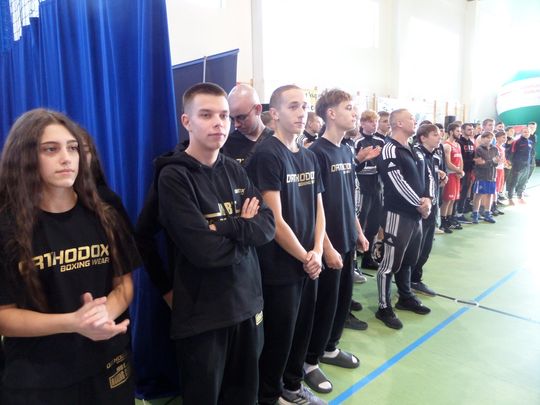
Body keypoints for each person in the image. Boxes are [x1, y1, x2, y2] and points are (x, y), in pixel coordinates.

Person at [0, 108, 138, 404]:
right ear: (24, 157)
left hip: (107, 364)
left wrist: (103, 315)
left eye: (72, 148)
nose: (67, 158)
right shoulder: (6, 228)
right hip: (40, 377)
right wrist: (73, 322)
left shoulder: (105, 216)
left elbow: (124, 285)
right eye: (51, 149)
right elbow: (4, 316)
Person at [156, 83, 275, 405]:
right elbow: (205, 252)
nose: (218, 123)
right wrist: (245, 231)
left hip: (248, 305)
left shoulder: (236, 170)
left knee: (245, 396)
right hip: (204, 315)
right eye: (206, 115)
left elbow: (267, 227)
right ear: (187, 121)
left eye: (223, 115)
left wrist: (225, 227)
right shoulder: (174, 177)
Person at [247, 84, 327, 405]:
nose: (301, 112)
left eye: (304, 106)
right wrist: (306, 256)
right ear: (274, 113)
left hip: (308, 263)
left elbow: (319, 207)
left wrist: (318, 250)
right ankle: (269, 396)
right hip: (280, 266)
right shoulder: (267, 154)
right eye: (293, 106)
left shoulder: (309, 155)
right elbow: (275, 220)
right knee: (278, 337)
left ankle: (292, 387)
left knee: (301, 331)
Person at [303, 89, 369, 394]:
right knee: (324, 305)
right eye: (348, 107)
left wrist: (359, 231)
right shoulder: (316, 153)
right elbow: (314, 207)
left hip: (347, 240)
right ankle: (309, 362)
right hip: (328, 244)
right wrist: (327, 247)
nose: (354, 113)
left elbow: (347, 198)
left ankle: (330, 348)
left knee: (342, 302)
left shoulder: (345, 151)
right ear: (330, 113)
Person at [375, 109, 432, 330]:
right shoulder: (389, 149)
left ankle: (405, 297)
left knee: (409, 260)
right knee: (389, 264)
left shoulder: (414, 149)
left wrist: (427, 199)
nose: (414, 121)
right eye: (410, 118)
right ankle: (384, 307)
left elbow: (426, 175)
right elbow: (396, 181)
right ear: (398, 123)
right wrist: (419, 204)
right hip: (397, 215)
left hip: (415, 216)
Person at [411, 124, 443, 297]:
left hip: (432, 206)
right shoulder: (416, 154)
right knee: (415, 248)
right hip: (421, 208)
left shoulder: (434, 155)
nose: (439, 137)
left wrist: (441, 176)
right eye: (435, 134)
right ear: (423, 138)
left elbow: (431, 177)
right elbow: (415, 181)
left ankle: (416, 279)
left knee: (426, 248)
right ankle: (407, 282)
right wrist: (422, 203)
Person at [354, 110, 385, 270]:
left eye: (376, 122)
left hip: (376, 186)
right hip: (363, 187)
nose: (374, 124)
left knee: (374, 223)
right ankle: (354, 261)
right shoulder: (357, 142)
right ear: (363, 123)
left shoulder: (380, 141)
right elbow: (355, 166)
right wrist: (366, 160)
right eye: (371, 121)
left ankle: (368, 257)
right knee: (360, 222)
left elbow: (383, 164)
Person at [222, 83, 274, 165]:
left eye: (241, 117)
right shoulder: (226, 144)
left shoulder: (277, 142)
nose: (236, 125)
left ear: (258, 109)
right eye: (232, 119)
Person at [470, 132, 500, 224]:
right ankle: (475, 214)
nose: (489, 139)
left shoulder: (495, 149)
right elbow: (480, 164)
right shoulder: (478, 149)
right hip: (481, 176)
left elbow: (496, 163)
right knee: (478, 195)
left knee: (490, 195)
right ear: (482, 139)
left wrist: (493, 162)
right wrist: (492, 161)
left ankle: (487, 214)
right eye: (487, 137)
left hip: (492, 176)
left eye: (491, 138)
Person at [440, 122, 464, 233]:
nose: (460, 133)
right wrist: (459, 170)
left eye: (460, 131)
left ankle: (449, 219)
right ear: (451, 132)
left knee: (453, 200)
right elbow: (448, 163)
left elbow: (461, 160)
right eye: (457, 131)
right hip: (450, 175)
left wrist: (461, 171)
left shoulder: (458, 145)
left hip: (456, 175)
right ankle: (443, 222)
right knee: (447, 200)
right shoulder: (447, 145)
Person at [506, 126, 532, 205]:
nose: (526, 133)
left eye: (528, 132)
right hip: (517, 166)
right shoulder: (516, 142)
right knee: (513, 182)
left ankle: (520, 197)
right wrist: (511, 163)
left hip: (526, 166)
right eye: (525, 132)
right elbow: (511, 152)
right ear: (521, 133)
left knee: (523, 182)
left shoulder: (530, 142)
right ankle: (510, 198)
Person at [455, 123, 476, 222]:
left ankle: (460, 212)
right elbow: (460, 159)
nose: (471, 131)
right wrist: (473, 161)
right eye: (469, 129)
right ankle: (456, 214)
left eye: (472, 129)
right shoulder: (459, 142)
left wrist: (475, 161)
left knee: (464, 193)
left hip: (469, 171)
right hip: (460, 172)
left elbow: (473, 156)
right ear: (462, 131)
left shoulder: (471, 143)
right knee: (458, 193)